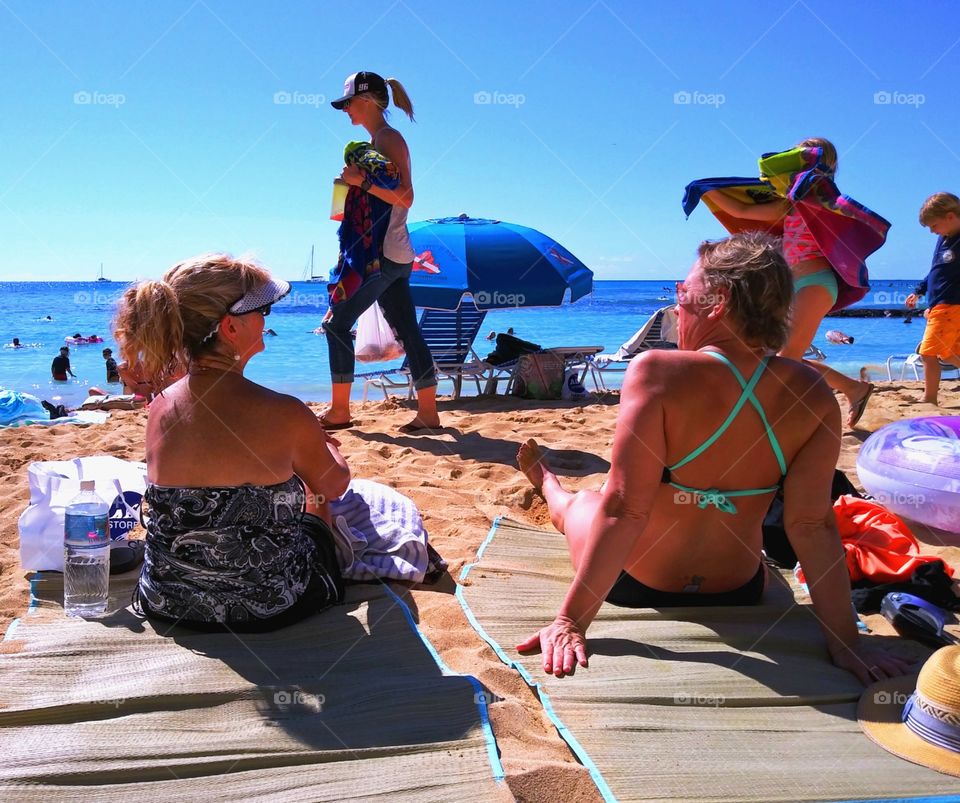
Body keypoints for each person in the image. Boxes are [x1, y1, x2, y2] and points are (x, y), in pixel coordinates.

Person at [515, 233, 912, 686]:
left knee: (589, 502)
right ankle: (552, 484)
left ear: (717, 302)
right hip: (742, 589)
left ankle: (550, 485)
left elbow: (625, 510)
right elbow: (812, 526)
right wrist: (846, 642)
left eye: (681, 294)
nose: (676, 306)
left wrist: (570, 623)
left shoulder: (656, 371)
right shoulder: (815, 393)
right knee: (620, 497)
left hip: (637, 583)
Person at [113, 253, 351, 631]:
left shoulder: (160, 407)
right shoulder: (285, 412)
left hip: (167, 599)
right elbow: (335, 485)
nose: (265, 320)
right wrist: (331, 453)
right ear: (230, 328)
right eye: (263, 312)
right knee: (316, 503)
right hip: (269, 607)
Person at [703, 138, 875, 428]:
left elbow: (853, 227)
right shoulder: (789, 207)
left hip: (817, 284)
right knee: (769, 357)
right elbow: (741, 212)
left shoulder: (826, 206)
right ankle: (853, 387)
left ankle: (769, 421)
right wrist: (704, 190)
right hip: (789, 286)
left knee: (786, 359)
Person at [322, 71, 439, 434]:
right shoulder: (376, 142)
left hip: (384, 254)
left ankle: (340, 411)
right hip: (395, 253)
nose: (345, 111)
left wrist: (363, 183)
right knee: (407, 330)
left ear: (369, 100)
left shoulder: (389, 138)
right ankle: (429, 414)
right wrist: (348, 187)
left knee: (337, 323)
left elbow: (406, 196)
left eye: (349, 103)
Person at [905, 191, 960, 405]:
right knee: (947, 354)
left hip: (951, 304)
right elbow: (936, 270)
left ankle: (929, 399)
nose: (932, 231)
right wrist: (919, 290)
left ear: (950, 216)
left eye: (934, 225)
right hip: (940, 304)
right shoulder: (943, 239)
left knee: (928, 353)